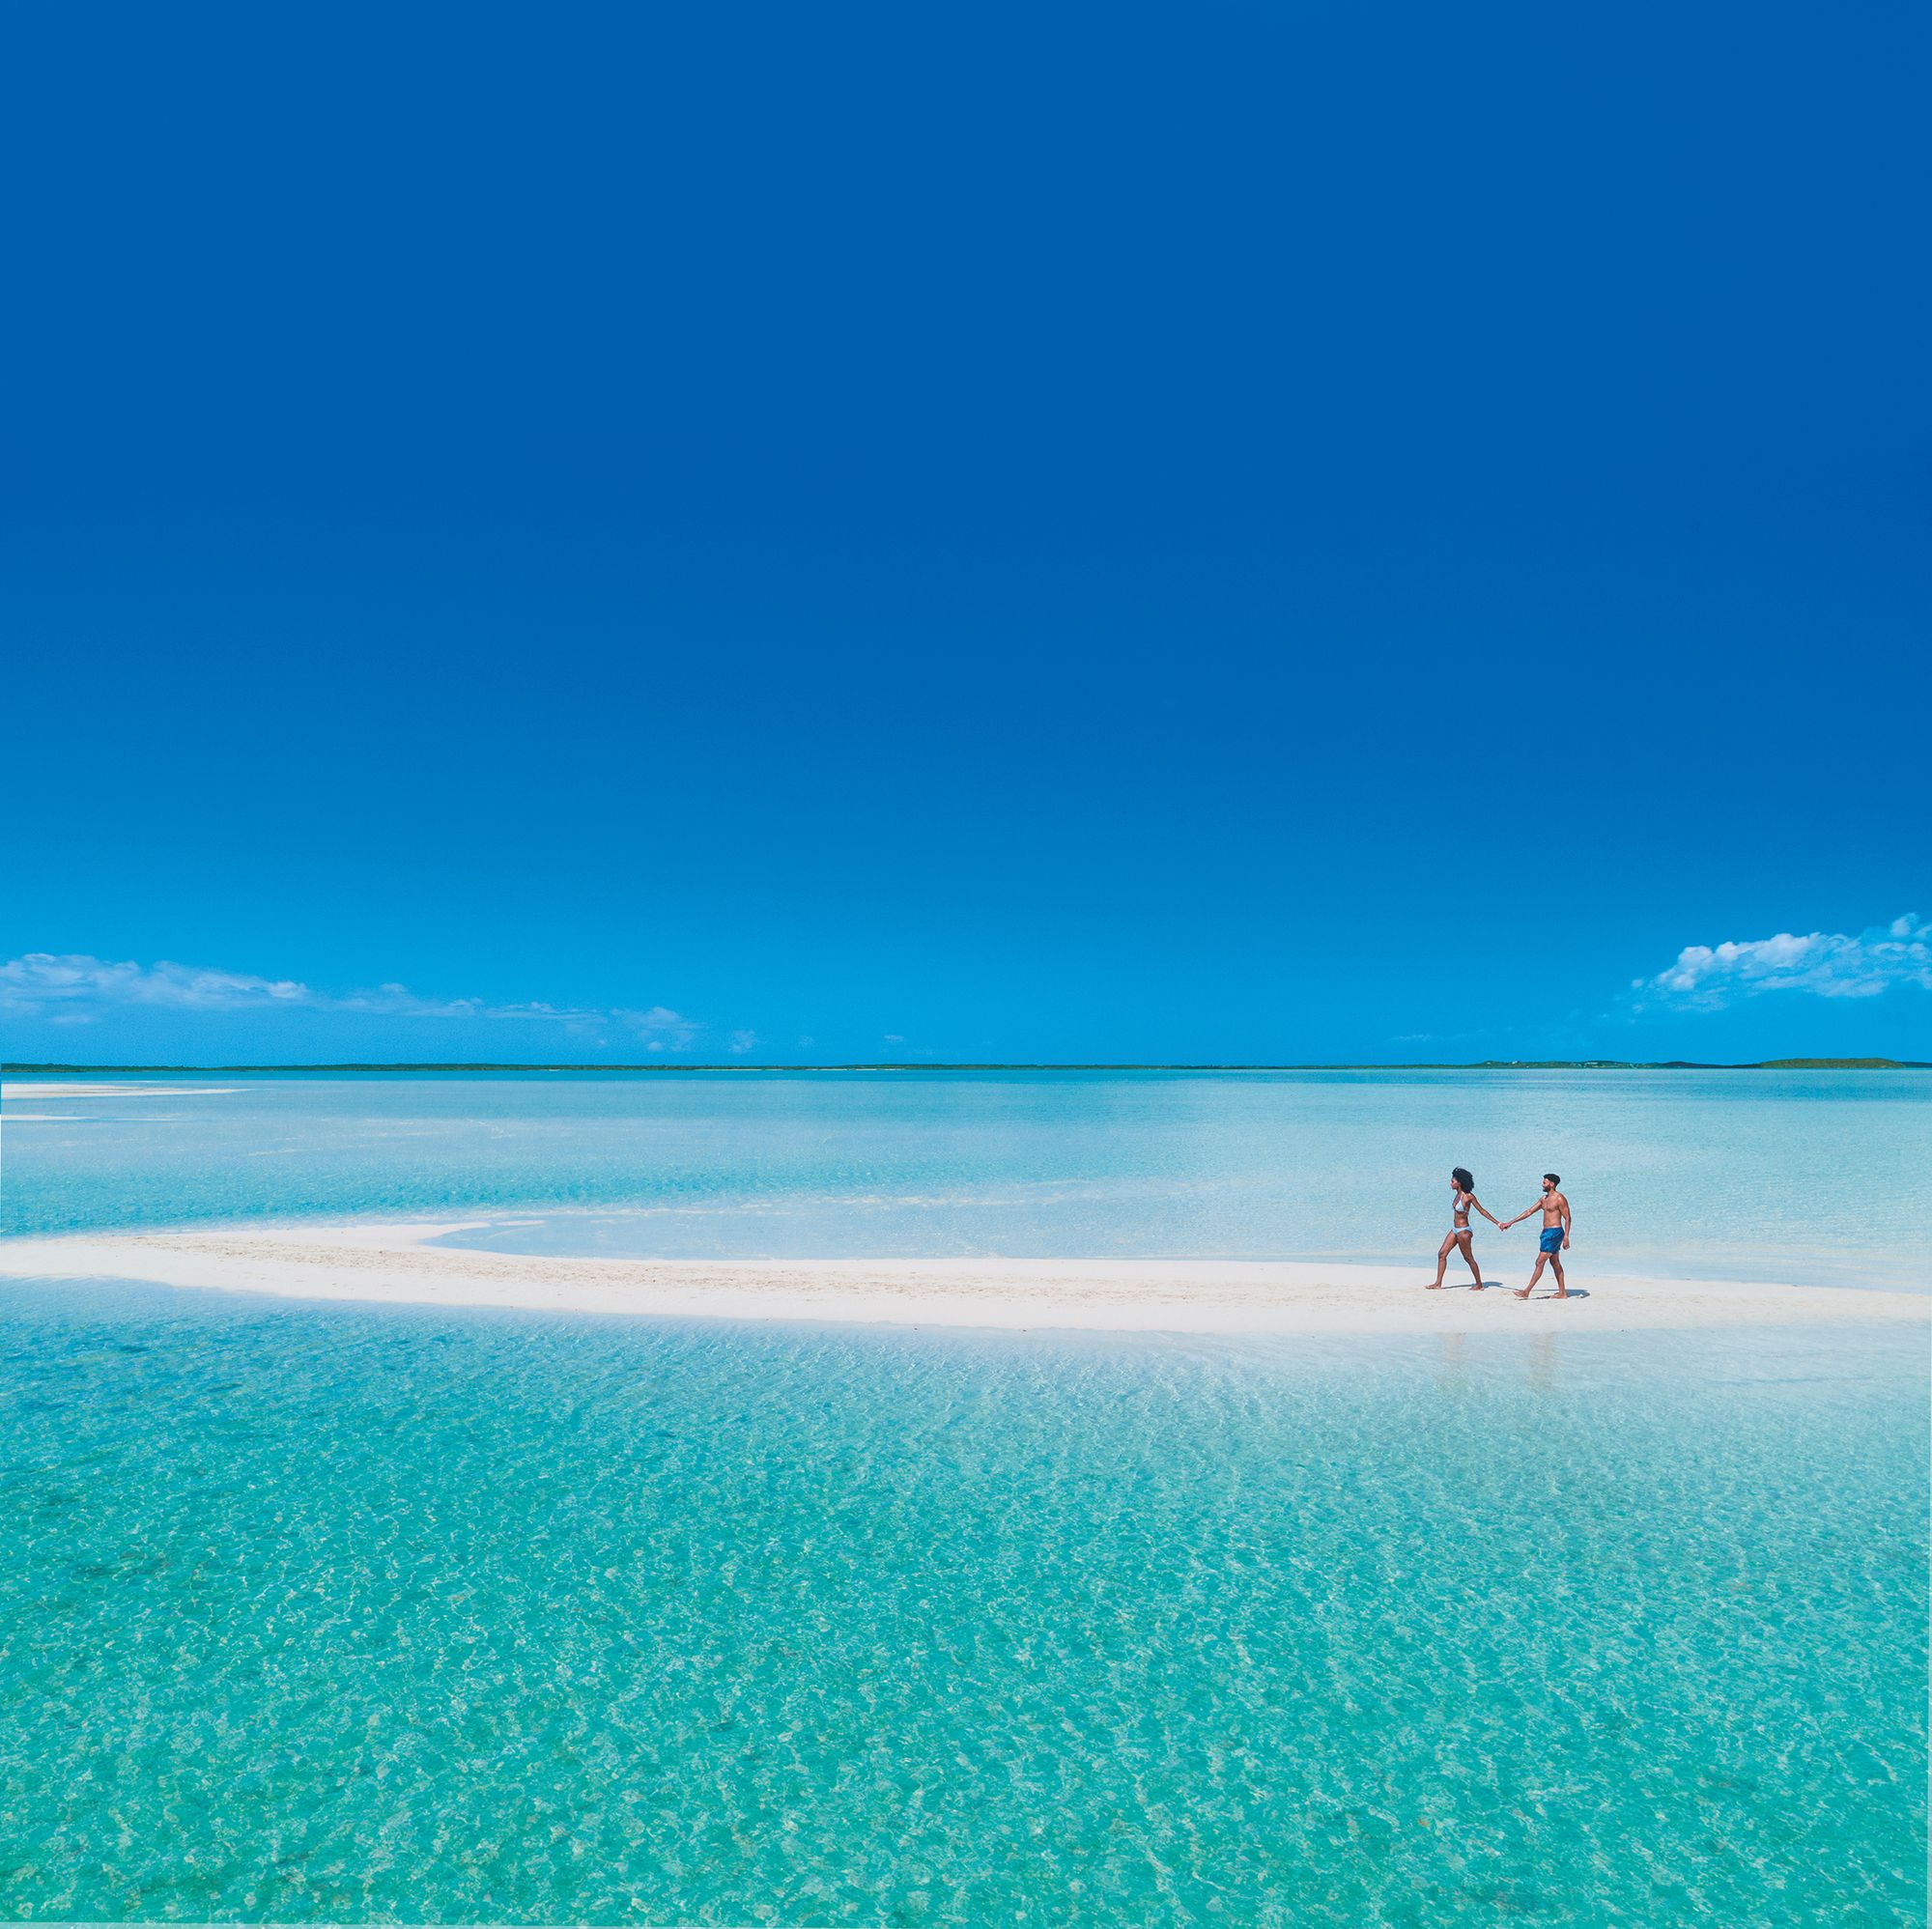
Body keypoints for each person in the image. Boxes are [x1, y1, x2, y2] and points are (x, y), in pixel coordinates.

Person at [1428, 1166, 1501, 1290]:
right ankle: (1438, 1283)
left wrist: (1497, 1223)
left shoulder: (1468, 1196)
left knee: (1468, 1258)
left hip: (1464, 1231)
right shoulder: (1457, 1195)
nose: (1450, 1183)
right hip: (1455, 1229)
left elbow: (1482, 1211)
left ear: (1459, 1183)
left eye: (1452, 1181)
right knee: (1442, 1254)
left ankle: (1479, 1284)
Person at [1501, 1174, 1573, 1299]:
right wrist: (1511, 1222)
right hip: (1546, 1233)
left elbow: (1567, 1218)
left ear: (1552, 1184)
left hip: (1555, 1232)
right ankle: (1562, 1293)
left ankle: (1526, 1291)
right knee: (1554, 1262)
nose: (1542, 1184)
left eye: (1545, 1183)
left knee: (1539, 1262)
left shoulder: (1559, 1198)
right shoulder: (1543, 1199)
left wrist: (1566, 1236)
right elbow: (1528, 1212)